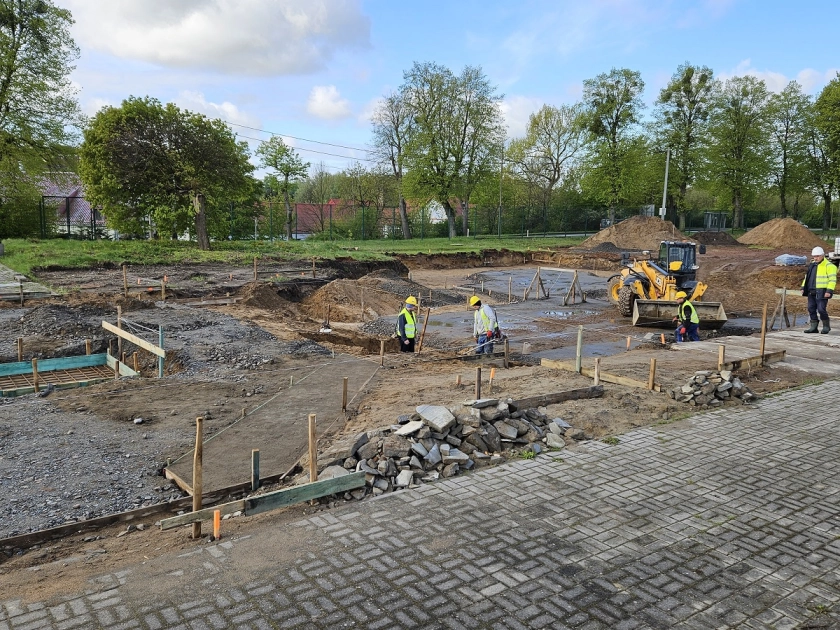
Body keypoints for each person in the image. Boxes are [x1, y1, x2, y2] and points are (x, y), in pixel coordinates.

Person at [801, 246, 837, 334]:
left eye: (817, 256)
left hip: (822, 291)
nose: (815, 258)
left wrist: (829, 291)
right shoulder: (812, 265)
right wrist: (803, 287)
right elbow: (807, 278)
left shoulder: (829, 266)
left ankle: (826, 326)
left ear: (822, 255)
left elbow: (832, 280)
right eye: (814, 256)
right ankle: (814, 327)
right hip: (811, 290)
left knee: (821, 309)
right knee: (811, 308)